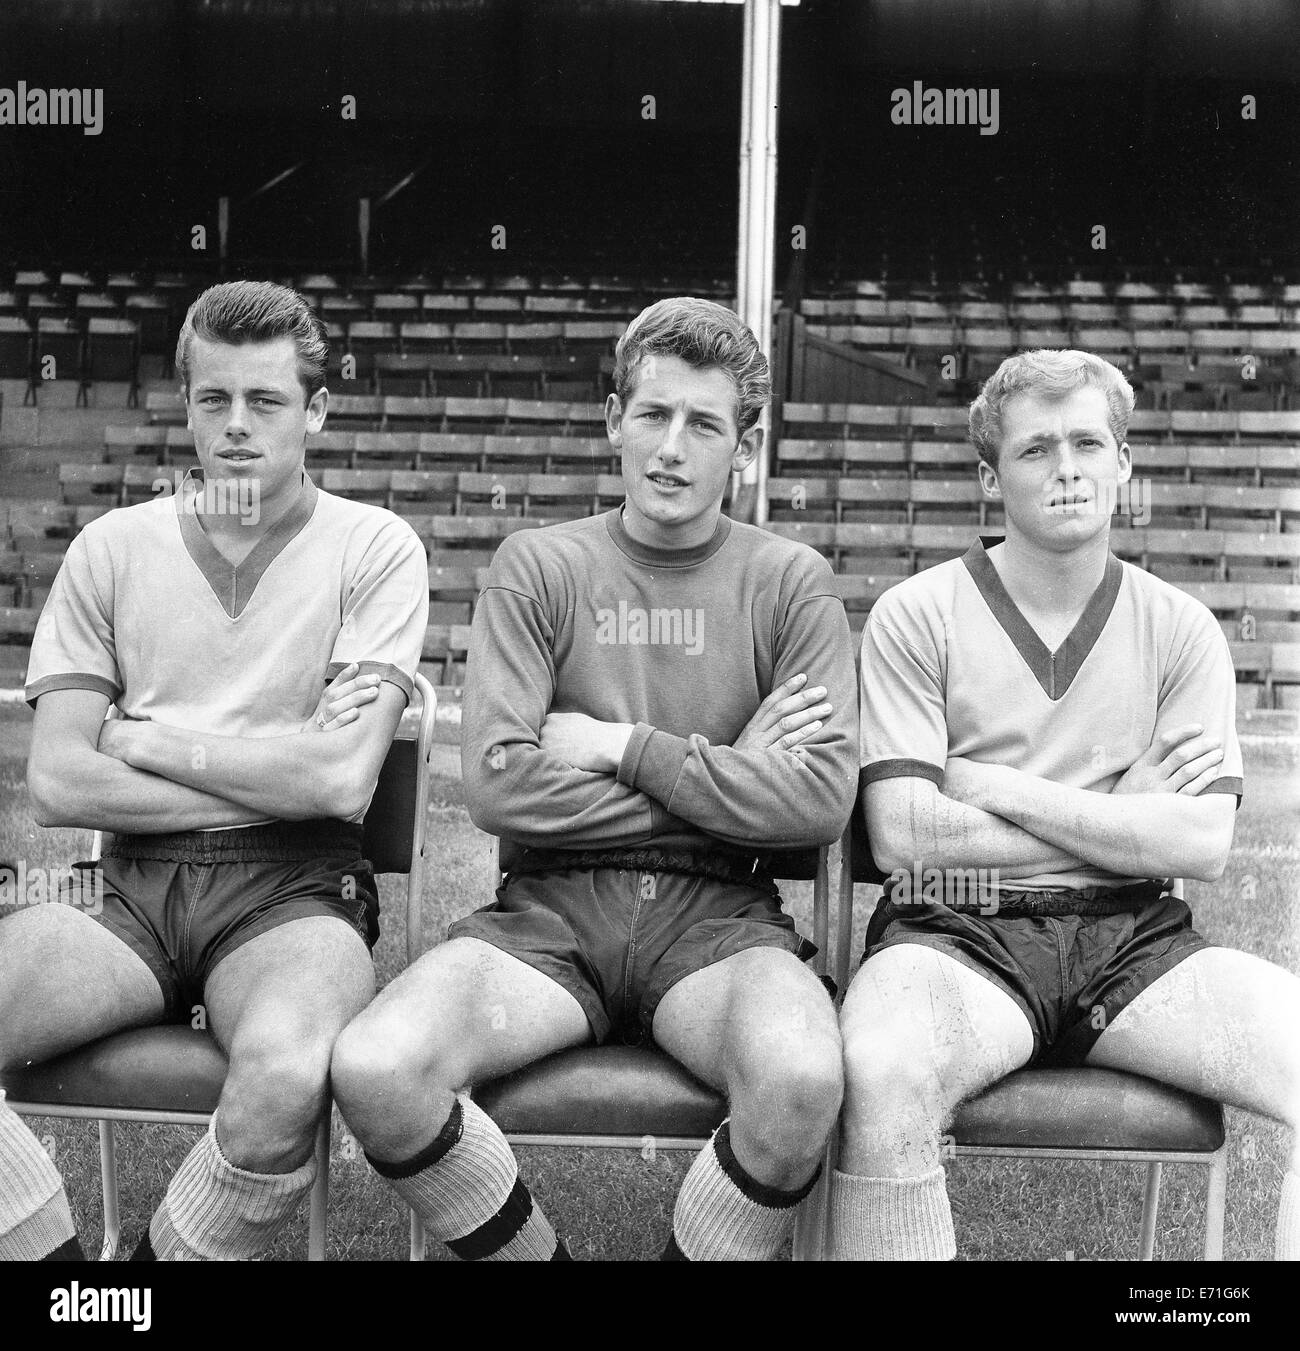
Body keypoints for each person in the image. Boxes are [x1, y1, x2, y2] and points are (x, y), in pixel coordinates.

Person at [331, 297, 858, 1261]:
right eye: (652, 414)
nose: (671, 447)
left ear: (744, 443)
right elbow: (499, 787)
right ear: (613, 417)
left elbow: (818, 804)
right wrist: (731, 773)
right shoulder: (539, 565)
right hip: (549, 911)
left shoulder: (791, 581)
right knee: (375, 1064)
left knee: (802, 1079)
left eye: (704, 423)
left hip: (720, 922)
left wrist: (624, 747)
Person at [832, 349, 1300, 1260]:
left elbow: (1200, 839)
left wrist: (999, 788)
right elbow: (906, 836)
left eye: (1089, 442)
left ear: (1124, 464)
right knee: (881, 1068)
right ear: (989, 475)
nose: (1069, 467)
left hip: (1133, 940)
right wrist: (1122, 818)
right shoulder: (915, 612)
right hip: (954, 927)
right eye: (1037, 448)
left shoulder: (1181, 628)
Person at [0, 280, 429, 1261]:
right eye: (213, 399)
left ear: (315, 410)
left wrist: (155, 741)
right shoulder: (112, 547)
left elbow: (335, 787)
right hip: (134, 887)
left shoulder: (374, 547)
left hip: (297, 888)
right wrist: (264, 766)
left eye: (266, 401)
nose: (236, 426)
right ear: (185, 402)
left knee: (284, 1072)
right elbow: (61, 782)